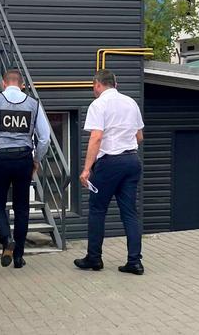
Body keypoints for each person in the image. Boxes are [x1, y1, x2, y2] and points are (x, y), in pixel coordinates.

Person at [0, 70, 50, 269]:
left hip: (0, 159)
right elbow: (44, 138)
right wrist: (36, 159)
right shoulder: (33, 104)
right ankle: (18, 257)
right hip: (23, 159)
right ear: (22, 85)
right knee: (22, 208)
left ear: (4, 83)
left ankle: (7, 238)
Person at [74, 69, 145, 275]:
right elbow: (139, 136)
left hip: (109, 163)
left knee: (97, 209)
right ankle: (134, 261)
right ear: (116, 84)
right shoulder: (131, 103)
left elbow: (96, 137)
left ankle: (94, 258)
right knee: (129, 213)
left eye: (93, 86)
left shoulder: (98, 104)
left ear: (97, 84)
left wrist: (87, 169)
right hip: (132, 161)